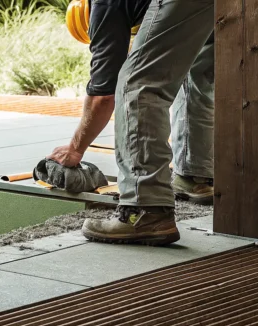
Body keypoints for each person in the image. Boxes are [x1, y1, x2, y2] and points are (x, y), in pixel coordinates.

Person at [49, 0, 215, 246]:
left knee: (138, 83)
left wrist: (75, 148)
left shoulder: (104, 8)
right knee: (196, 71)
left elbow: (103, 96)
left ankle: (145, 209)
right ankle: (194, 176)